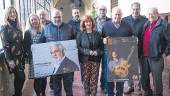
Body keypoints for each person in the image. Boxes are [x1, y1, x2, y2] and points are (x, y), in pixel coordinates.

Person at [43, 8, 75, 96]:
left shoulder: (69, 27)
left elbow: (74, 42)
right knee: (56, 88)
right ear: (51, 17)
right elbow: (41, 43)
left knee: (68, 87)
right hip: (54, 64)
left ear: (62, 17)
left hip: (67, 63)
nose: (57, 19)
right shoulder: (46, 28)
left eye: (59, 17)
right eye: (55, 17)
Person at [102, 7, 133, 96]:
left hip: (122, 56)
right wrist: (103, 40)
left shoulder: (127, 26)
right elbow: (102, 38)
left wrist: (135, 40)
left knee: (120, 76)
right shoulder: (106, 25)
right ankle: (110, 93)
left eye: (119, 14)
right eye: (115, 14)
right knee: (109, 77)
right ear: (111, 15)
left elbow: (131, 39)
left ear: (122, 15)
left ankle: (119, 93)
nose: (117, 16)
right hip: (109, 56)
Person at [139, 7, 170, 96]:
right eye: (149, 14)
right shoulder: (146, 24)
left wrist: (165, 53)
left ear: (157, 14)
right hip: (144, 57)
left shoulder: (164, 25)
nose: (151, 15)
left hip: (156, 57)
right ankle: (148, 93)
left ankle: (158, 94)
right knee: (144, 79)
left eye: (153, 13)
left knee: (157, 81)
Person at [123, 2, 147, 94]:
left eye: (137, 9)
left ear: (140, 9)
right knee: (129, 69)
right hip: (129, 50)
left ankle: (140, 88)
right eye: (133, 9)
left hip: (141, 49)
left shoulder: (145, 20)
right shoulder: (125, 20)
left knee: (142, 70)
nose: (135, 11)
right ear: (131, 9)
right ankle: (130, 86)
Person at [0, 6, 25, 96]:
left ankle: (18, 94)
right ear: (7, 15)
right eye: (10, 12)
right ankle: (18, 94)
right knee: (21, 77)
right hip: (12, 58)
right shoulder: (4, 28)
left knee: (18, 79)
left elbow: (21, 42)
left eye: (14, 12)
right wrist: (9, 60)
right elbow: (5, 46)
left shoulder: (18, 27)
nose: (13, 14)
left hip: (20, 57)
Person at [76, 15, 103, 96]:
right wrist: (88, 52)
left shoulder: (97, 33)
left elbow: (101, 46)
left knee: (94, 79)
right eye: (86, 22)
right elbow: (78, 47)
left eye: (90, 21)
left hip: (96, 59)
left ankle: (93, 94)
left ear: (92, 23)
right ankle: (87, 94)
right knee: (86, 79)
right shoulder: (80, 34)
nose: (88, 23)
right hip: (85, 60)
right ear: (84, 23)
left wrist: (97, 52)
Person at [23, 14, 46, 96]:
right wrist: (30, 50)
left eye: (35, 19)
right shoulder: (27, 32)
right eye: (32, 20)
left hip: (43, 58)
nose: (34, 21)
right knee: (37, 79)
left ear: (38, 20)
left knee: (43, 78)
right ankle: (38, 94)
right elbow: (25, 46)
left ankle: (43, 93)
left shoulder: (43, 30)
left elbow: (46, 42)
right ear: (29, 21)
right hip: (33, 59)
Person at [95, 5, 111, 93]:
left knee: (105, 67)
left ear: (106, 11)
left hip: (106, 48)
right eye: (100, 9)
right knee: (96, 68)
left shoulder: (110, 21)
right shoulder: (92, 20)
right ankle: (97, 84)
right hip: (95, 48)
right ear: (98, 10)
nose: (102, 11)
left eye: (104, 9)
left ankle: (105, 86)